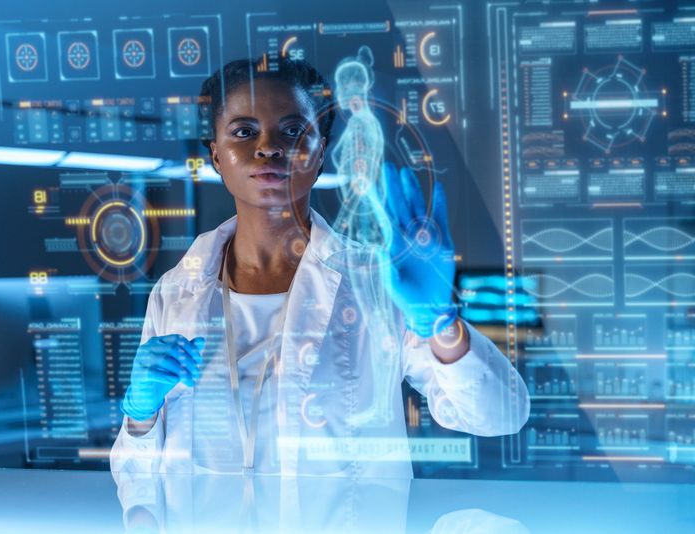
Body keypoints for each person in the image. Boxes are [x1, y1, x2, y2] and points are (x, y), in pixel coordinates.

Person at [110, 57, 529, 481]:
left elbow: (498, 416)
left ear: (321, 152)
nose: (268, 147)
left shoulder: (378, 284)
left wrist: (441, 323)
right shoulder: (174, 292)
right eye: (243, 131)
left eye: (294, 131)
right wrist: (141, 415)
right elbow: (136, 481)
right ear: (216, 155)